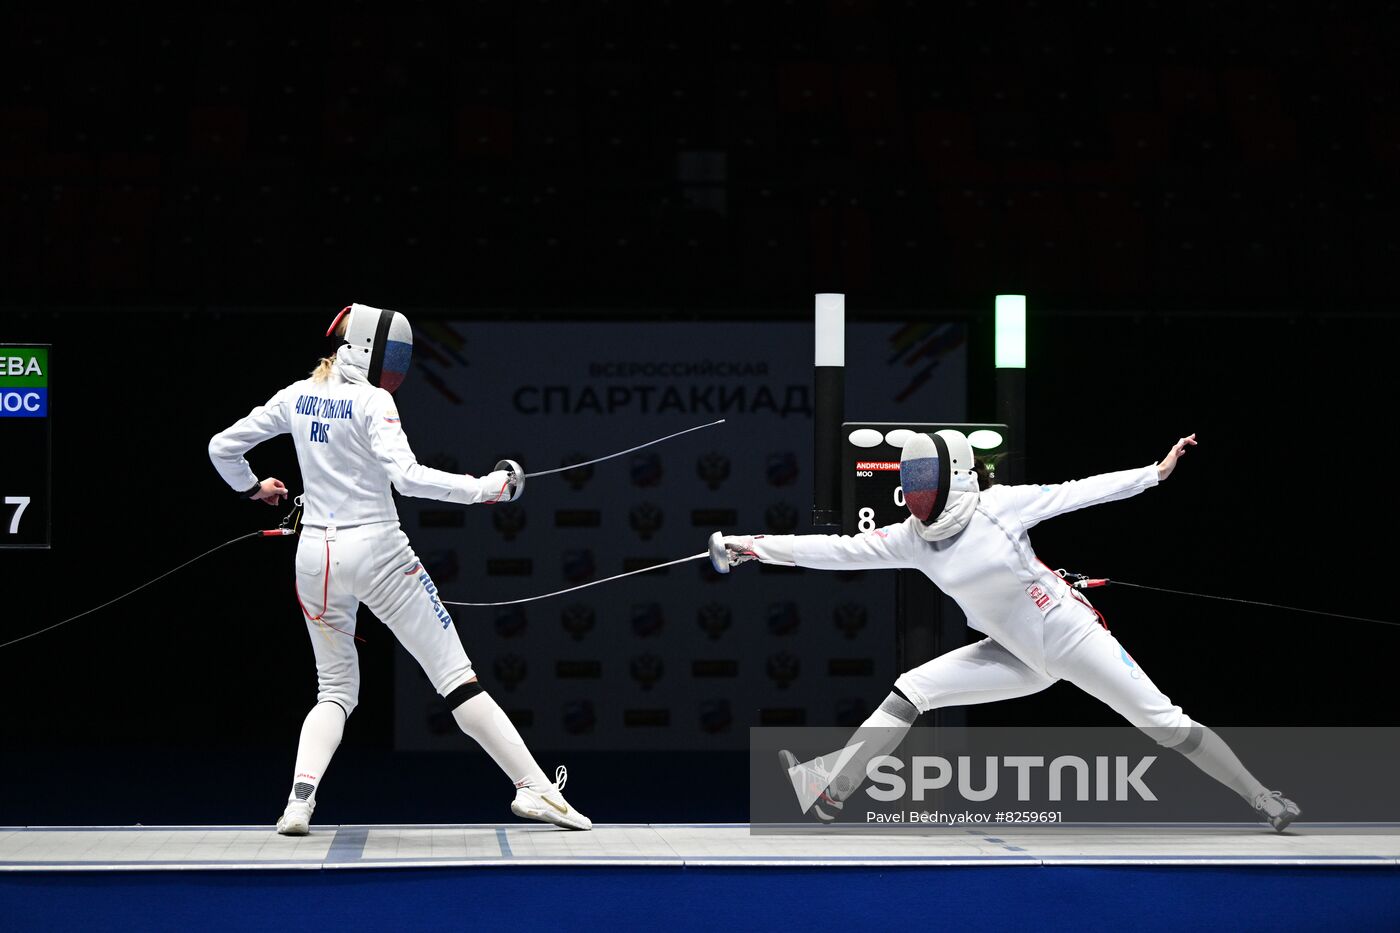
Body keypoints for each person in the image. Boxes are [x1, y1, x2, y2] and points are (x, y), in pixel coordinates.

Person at [715, 430, 1300, 831]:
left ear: (954, 475)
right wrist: (753, 547)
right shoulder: (912, 539)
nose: (917, 490)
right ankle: (829, 791)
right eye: (912, 478)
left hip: (1071, 638)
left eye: (924, 476)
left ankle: (1263, 798)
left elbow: (1081, 492)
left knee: (1163, 723)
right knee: (911, 689)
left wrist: (1154, 473)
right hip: (1014, 656)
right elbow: (834, 551)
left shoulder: (1002, 506)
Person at [208, 303, 590, 834]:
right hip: (380, 554)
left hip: (314, 557)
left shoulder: (296, 396)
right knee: (456, 679)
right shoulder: (373, 401)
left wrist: (252, 487)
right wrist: (487, 489)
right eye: (396, 356)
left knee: (335, 691)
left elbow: (221, 446)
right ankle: (534, 789)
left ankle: (298, 803)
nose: (398, 368)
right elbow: (407, 478)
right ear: (369, 351)